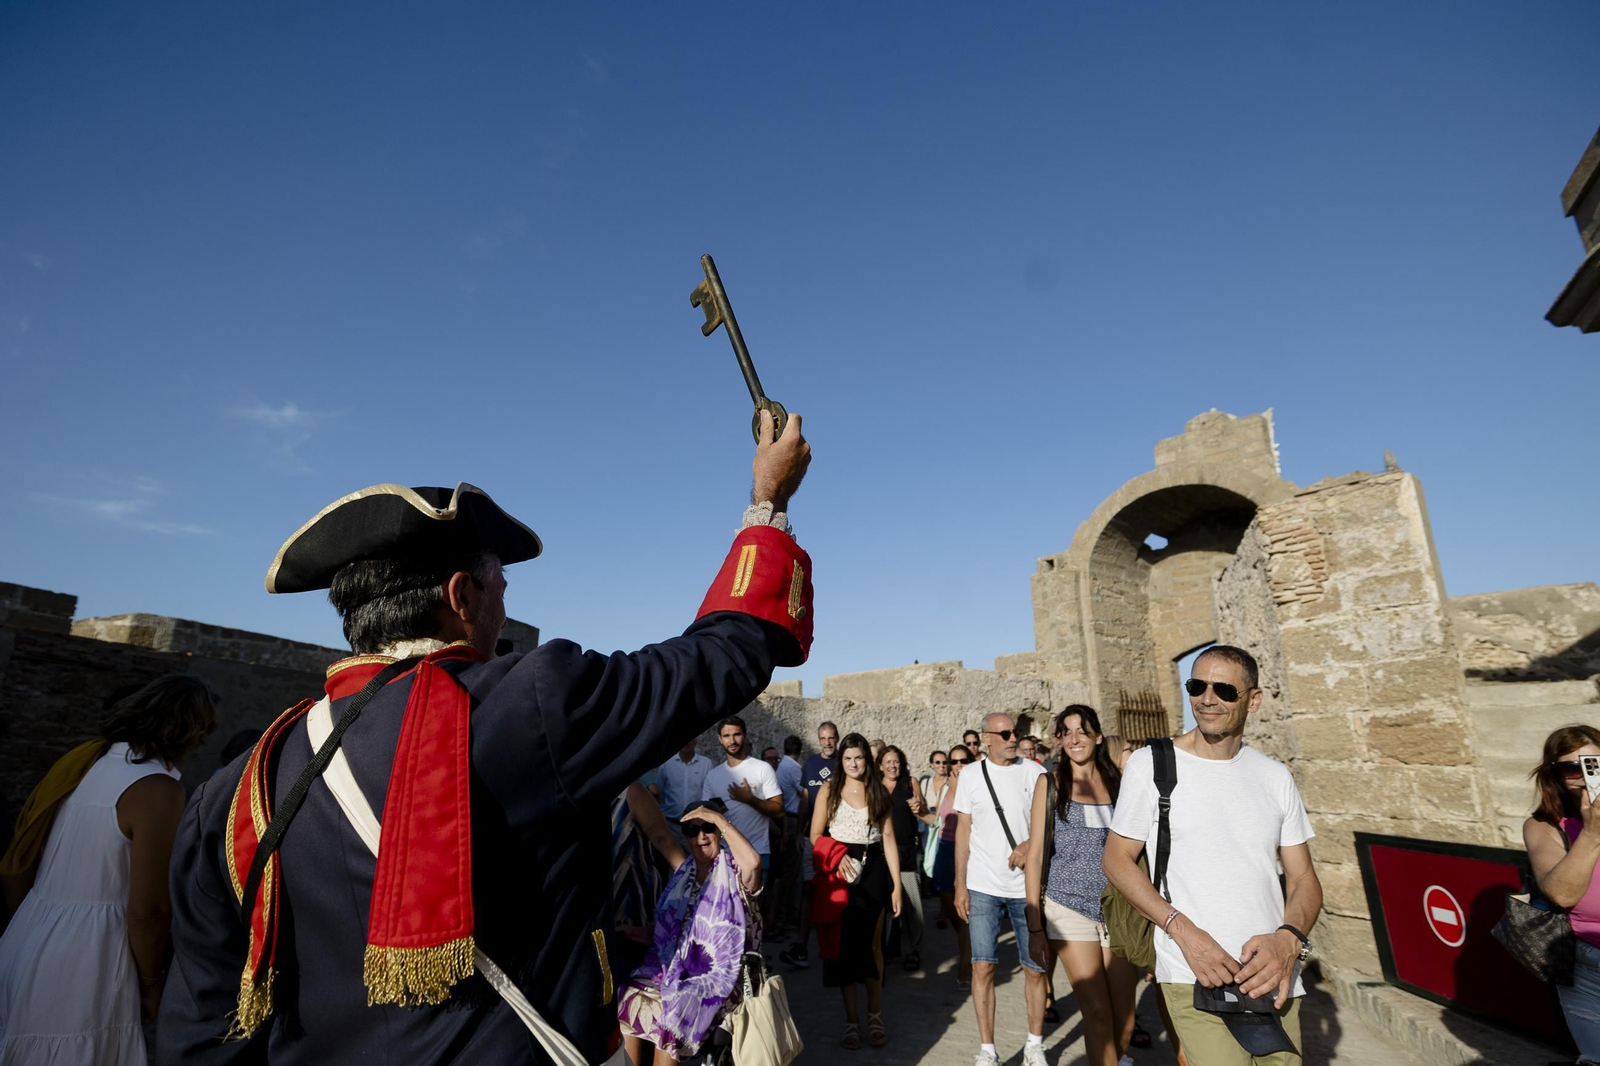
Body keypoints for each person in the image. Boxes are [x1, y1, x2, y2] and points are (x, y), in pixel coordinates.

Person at [157, 411, 813, 1064]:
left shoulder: (236, 789)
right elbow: (720, 658)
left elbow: (202, 1030)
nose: (503, 609)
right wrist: (768, 502)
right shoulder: (533, 705)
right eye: (500, 587)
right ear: (462, 596)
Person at [1103, 645, 1322, 1066]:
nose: (1207, 699)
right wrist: (1184, 933)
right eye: (1196, 686)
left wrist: (1289, 940)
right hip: (1194, 971)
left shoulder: (1275, 776)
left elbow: (1303, 880)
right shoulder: (1151, 764)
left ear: (1253, 700)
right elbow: (1116, 860)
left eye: (1223, 689)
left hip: (1274, 975)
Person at [0, 674, 218, 1064]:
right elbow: (148, 910)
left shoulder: (86, 766)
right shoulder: (158, 789)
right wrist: (151, 983)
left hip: (30, 934)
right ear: (192, 730)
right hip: (91, 958)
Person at [1024, 706, 1137, 1066]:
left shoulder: (1120, 783)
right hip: (1068, 908)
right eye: (1066, 732)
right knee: (1098, 1012)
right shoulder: (1051, 783)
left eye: (1082, 731)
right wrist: (1035, 927)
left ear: (1098, 737)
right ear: (1058, 740)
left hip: (1119, 909)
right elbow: (1036, 855)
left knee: (1125, 1022)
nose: (1074, 739)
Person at [618, 799, 763, 1066]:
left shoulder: (735, 872)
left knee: (675, 1009)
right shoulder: (683, 874)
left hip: (720, 975)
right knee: (630, 995)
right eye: (692, 830)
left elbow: (754, 863)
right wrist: (639, 933)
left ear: (720, 831)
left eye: (708, 827)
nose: (701, 836)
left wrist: (719, 819)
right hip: (672, 967)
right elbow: (670, 930)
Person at [955, 713, 1050, 1066]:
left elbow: (1049, 824)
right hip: (982, 885)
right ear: (987, 738)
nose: (1013, 738)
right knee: (982, 967)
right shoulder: (970, 775)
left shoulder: (1035, 773)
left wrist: (1028, 844)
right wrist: (960, 883)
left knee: (1035, 968)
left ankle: (1034, 1045)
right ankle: (987, 1050)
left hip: (1026, 887)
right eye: (1006, 733)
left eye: (1015, 732)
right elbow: (963, 831)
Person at [811, 732, 902, 1050]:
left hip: (873, 869)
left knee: (873, 946)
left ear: (867, 760)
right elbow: (815, 835)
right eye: (848, 758)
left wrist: (897, 886)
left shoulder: (879, 791)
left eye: (859, 758)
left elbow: (888, 839)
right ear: (841, 760)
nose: (853, 764)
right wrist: (836, 857)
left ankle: (875, 1014)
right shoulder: (829, 790)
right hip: (839, 869)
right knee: (845, 947)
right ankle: (851, 1020)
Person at [1523, 724, 1600, 1063]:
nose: (1585, 777)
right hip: (1590, 966)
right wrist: (1593, 832)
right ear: (1554, 774)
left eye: (1594, 765)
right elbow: (1562, 894)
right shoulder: (1545, 826)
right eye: (1572, 768)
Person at [781, 720, 840, 969]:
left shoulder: (845, 763)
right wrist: (799, 833)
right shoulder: (811, 764)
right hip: (811, 838)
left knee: (837, 894)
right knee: (807, 890)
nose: (827, 742)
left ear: (837, 738)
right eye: (823, 738)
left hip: (837, 839)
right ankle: (802, 948)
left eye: (831, 738)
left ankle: (837, 951)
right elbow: (805, 799)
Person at [612, 782, 679, 979]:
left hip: (632, 913)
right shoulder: (574, 791)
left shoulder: (630, 792)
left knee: (629, 980)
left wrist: (695, 881)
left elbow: (663, 839)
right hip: (591, 922)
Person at [703, 717, 784, 878]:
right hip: (724, 855)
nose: (732, 741)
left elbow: (779, 811)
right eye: (727, 736)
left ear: (745, 736)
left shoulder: (762, 768)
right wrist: (715, 811)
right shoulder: (712, 776)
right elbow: (706, 815)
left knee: (758, 895)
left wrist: (749, 799)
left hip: (757, 852)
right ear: (720, 739)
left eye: (737, 734)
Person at [878, 745, 927, 970]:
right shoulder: (874, 786)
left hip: (906, 851)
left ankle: (912, 950)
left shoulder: (910, 783)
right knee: (884, 904)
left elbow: (923, 810)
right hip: (881, 853)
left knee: (911, 905)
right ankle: (885, 949)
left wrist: (919, 806)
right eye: (888, 762)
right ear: (880, 766)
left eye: (896, 761)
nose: (892, 766)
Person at [929, 745, 973, 987]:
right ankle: (970, 945)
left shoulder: (974, 786)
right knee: (948, 902)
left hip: (966, 850)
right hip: (944, 849)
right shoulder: (946, 786)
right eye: (953, 761)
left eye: (962, 760)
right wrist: (918, 811)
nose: (957, 765)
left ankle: (965, 969)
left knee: (964, 912)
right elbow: (935, 819)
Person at [773, 735, 805, 935]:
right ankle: (786, 918)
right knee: (791, 873)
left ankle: (783, 917)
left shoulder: (782, 766)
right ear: (800, 751)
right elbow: (805, 793)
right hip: (792, 820)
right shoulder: (793, 768)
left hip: (785, 820)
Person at [658, 738, 714, 832]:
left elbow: (709, 793)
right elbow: (659, 792)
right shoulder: (666, 764)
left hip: (696, 825)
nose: (686, 743)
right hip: (671, 825)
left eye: (690, 739)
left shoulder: (705, 764)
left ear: (695, 742)